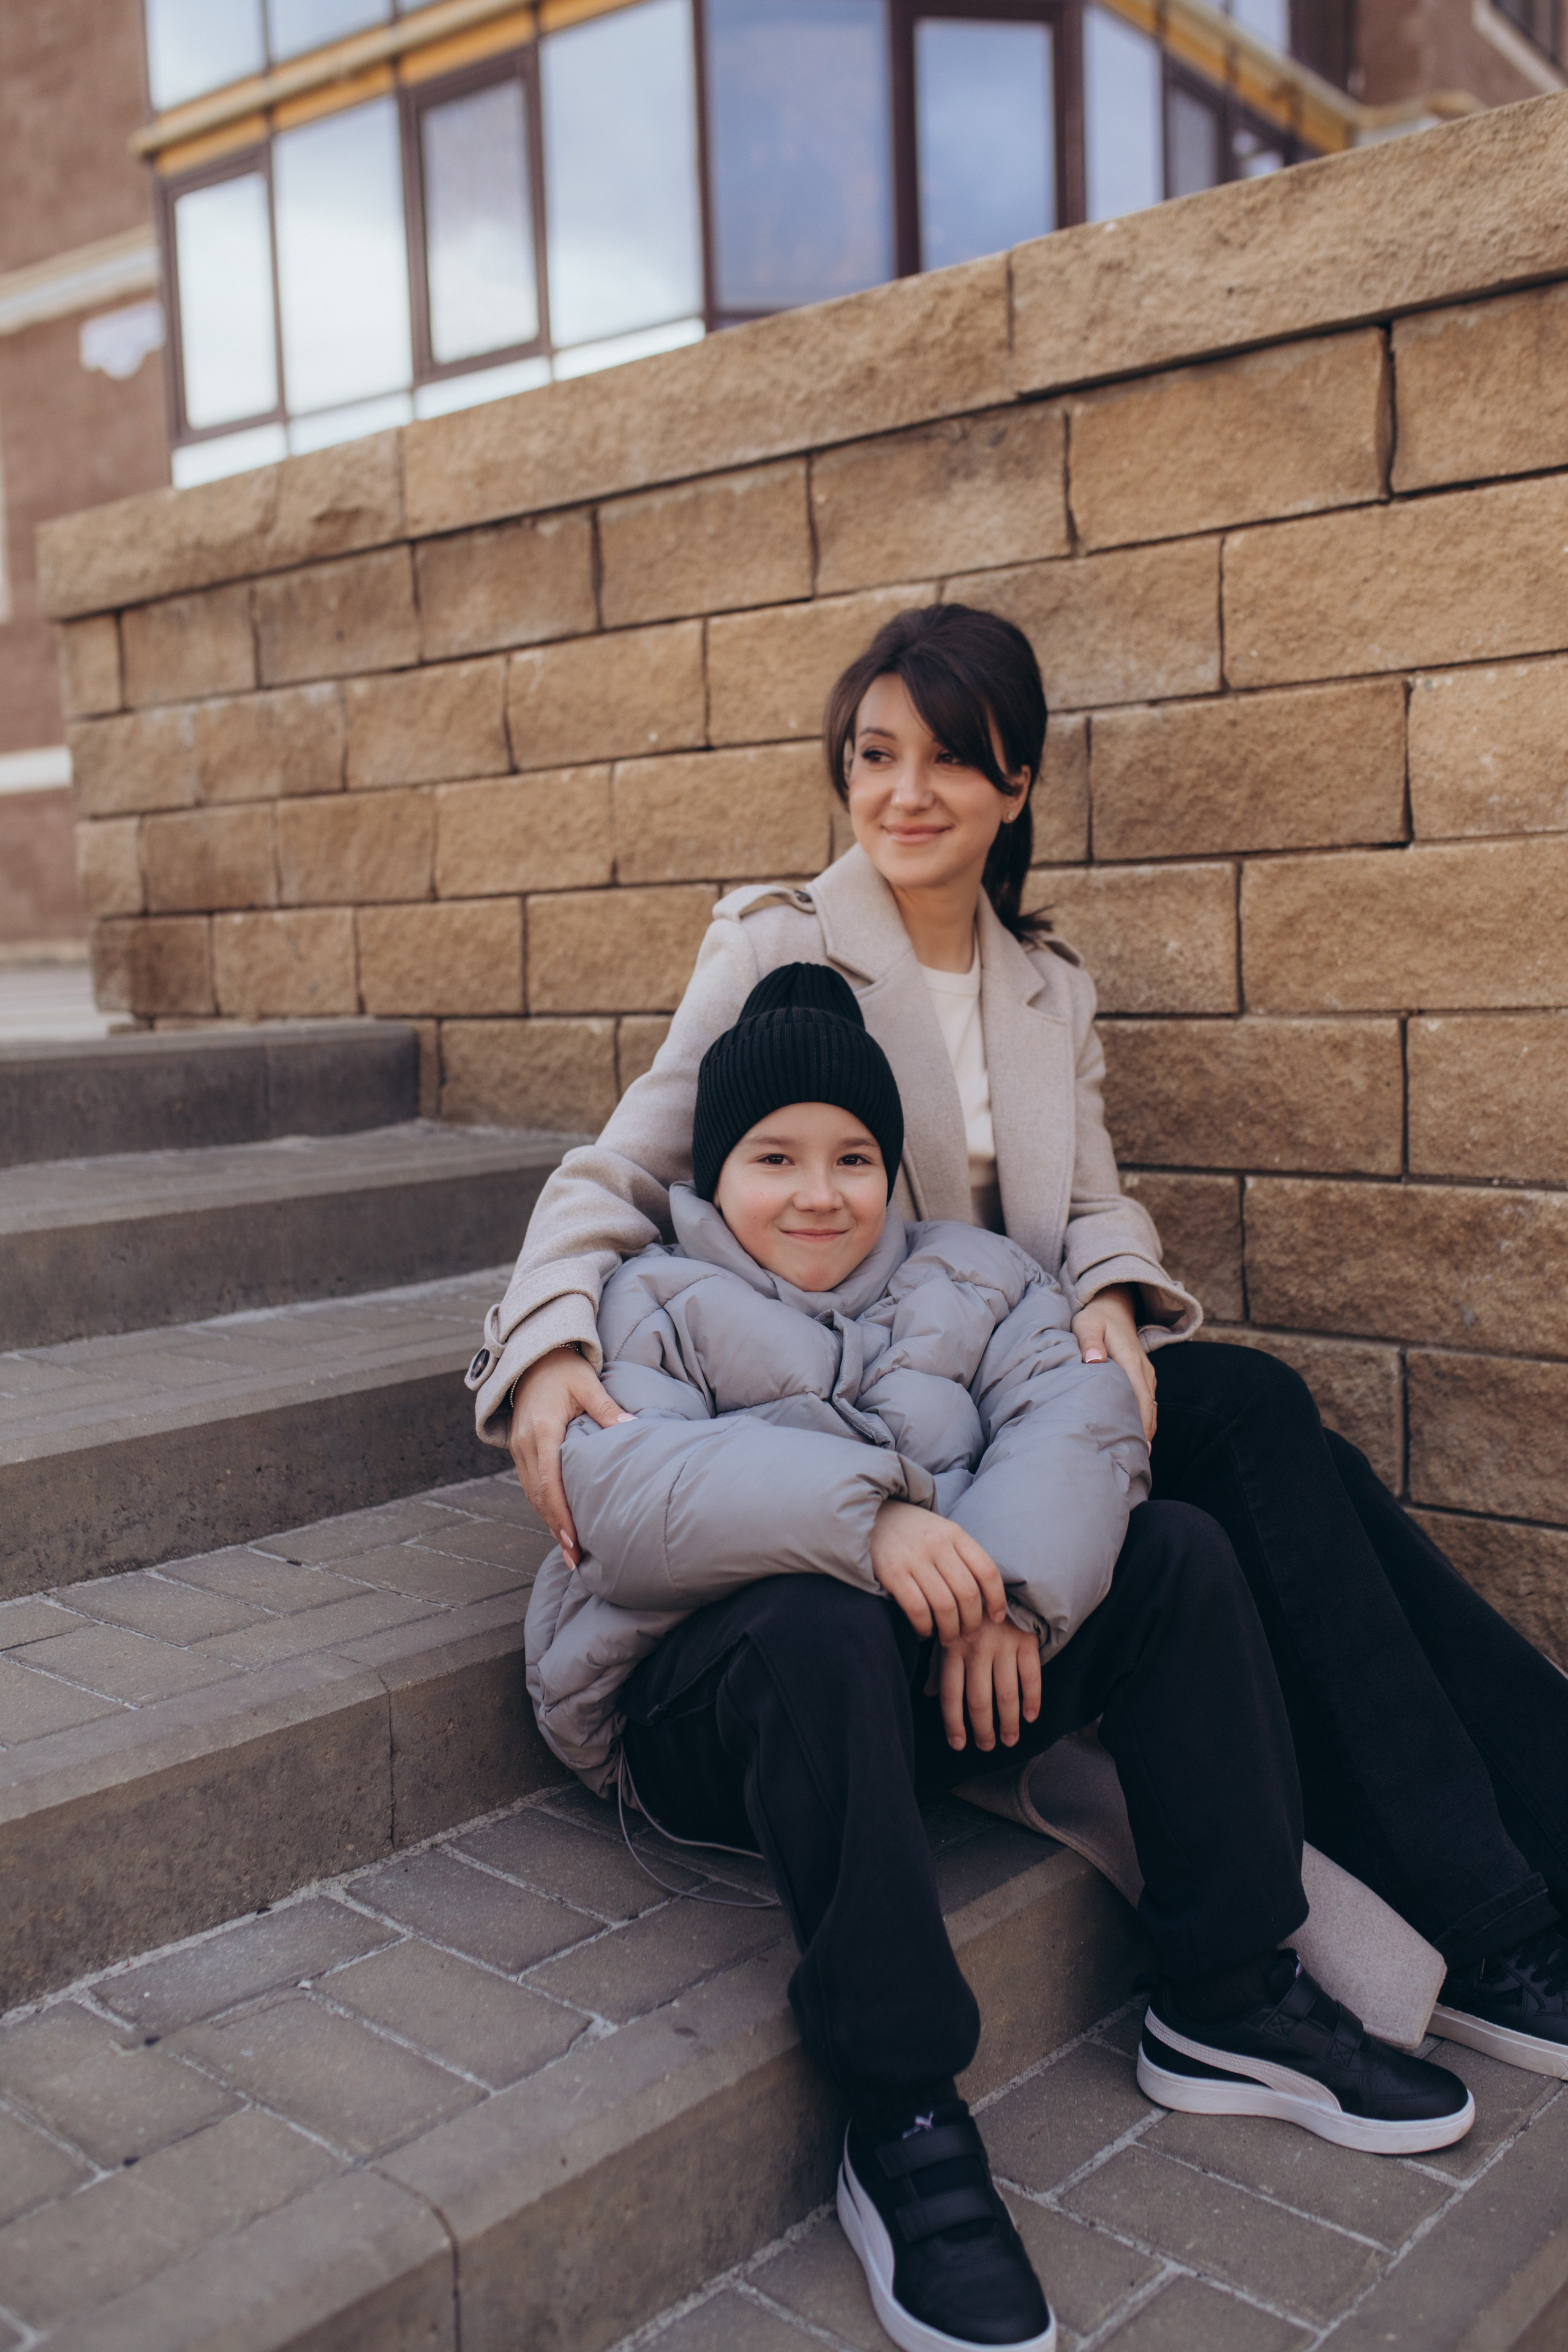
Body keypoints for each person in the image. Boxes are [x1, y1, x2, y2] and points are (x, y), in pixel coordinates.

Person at [468, 600, 1568, 2086]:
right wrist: (540, 1347)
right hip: (867, 1417)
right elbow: (621, 1168)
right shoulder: (776, 945)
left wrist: (1111, 1296)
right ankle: (1485, 1904)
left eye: (944, 760)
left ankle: (1510, 1867)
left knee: (1261, 1422)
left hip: (1015, 1379)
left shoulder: (1046, 985)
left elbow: (1097, 1204)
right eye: (871, 755)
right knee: (1253, 1438)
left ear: (1016, 785)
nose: (901, 793)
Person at [521, 960, 1472, 2352]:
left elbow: (1082, 1429)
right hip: (707, 1717)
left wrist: (1009, 1603)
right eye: (772, 1157)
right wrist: (880, 1526)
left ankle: (1226, 1992)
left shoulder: (976, 1276)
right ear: (712, 1169)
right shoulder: (645, 1300)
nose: (817, 1192)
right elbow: (623, 1499)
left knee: (1181, 1554)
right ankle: (899, 2112)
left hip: (948, 1679)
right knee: (817, 1618)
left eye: (853, 1156)